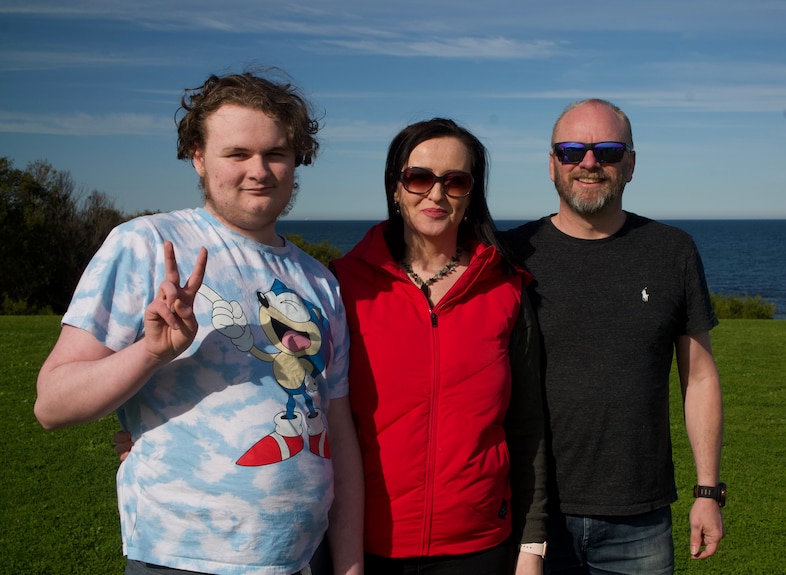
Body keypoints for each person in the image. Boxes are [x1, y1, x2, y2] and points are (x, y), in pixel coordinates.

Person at [34, 71, 364, 575]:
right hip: (183, 559)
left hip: (305, 558)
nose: (260, 171)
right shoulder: (145, 243)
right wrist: (149, 353)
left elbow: (338, 432)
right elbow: (52, 404)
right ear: (198, 156)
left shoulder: (318, 280)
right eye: (236, 154)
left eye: (276, 153)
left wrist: (349, 565)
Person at [503, 99, 725, 574]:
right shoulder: (512, 255)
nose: (589, 163)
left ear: (630, 164)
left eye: (607, 150)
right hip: (531, 516)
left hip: (639, 518)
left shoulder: (672, 251)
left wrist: (707, 492)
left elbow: (700, 379)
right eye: (571, 151)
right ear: (551, 164)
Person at [329, 118, 547, 575]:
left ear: (471, 194)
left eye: (456, 181)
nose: (436, 194)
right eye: (420, 177)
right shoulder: (342, 285)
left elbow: (527, 425)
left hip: (480, 547)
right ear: (395, 187)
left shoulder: (507, 288)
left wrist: (532, 546)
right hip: (366, 547)